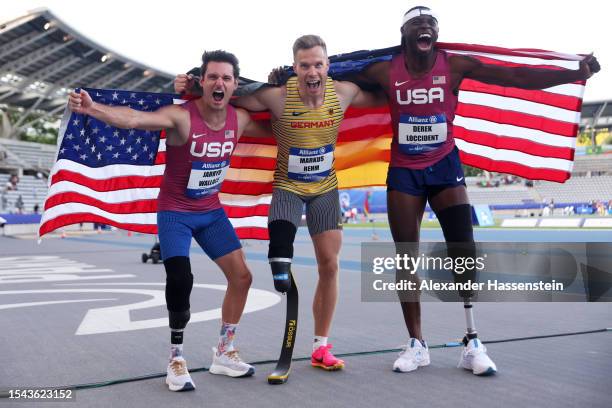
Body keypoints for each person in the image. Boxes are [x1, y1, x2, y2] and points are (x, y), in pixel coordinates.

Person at [357, 6, 600, 375]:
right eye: (418, 24)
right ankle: (416, 344)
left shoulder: (453, 65)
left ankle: (472, 341)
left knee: (463, 249)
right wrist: (289, 77)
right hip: (405, 172)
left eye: (432, 25)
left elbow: (515, 75)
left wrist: (571, 72)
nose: (427, 28)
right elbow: (331, 78)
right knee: (406, 257)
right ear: (404, 33)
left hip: (445, 166)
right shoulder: (383, 70)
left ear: (435, 35)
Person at [175, 34, 384, 371]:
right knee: (281, 268)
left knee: (329, 265)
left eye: (318, 64)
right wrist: (191, 85)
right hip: (288, 187)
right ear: (295, 68)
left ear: (327, 67)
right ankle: (279, 265)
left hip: (325, 190)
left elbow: (385, 97)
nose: (312, 71)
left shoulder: (344, 92)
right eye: (304, 66)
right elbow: (227, 95)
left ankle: (321, 347)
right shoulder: (277, 97)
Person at [69, 50, 268, 392]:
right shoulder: (182, 117)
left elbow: (281, 119)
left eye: (226, 78)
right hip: (175, 212)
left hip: (211, 212)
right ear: (201, 82)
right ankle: (176, 358)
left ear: (236, 85)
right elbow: (133, 118)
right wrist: (93, 109)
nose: (219, 83)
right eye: (213, 77)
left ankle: (224, 352)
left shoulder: (241, 118)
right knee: (180, 277)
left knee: (243, 276)